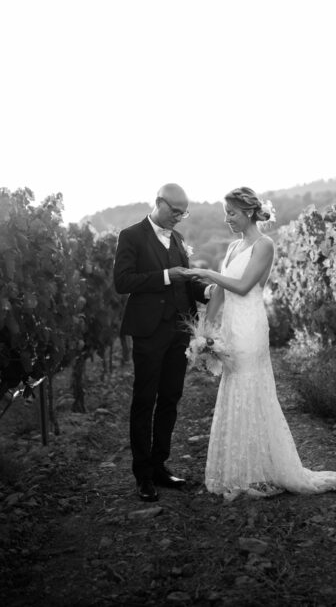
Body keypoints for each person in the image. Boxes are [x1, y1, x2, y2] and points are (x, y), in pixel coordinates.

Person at [188, 187, 336, 500]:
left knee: (250, 387)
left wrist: (207, 272)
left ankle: (263, 470)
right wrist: (205, 330)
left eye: (232, 213)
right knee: (234, 388)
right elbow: (221, 292)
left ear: (249, 212)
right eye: (226, 213)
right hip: (232, 327)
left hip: (250, 326)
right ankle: (240, 470)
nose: (228, 219)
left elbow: (243, 285)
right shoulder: (234, 246)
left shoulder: (265, 245)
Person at [113, 183, 213, 502]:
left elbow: (186, 284)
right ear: (159, 203)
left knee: (171, 397)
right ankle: (142, 475)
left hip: (179, 331)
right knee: (145, 400)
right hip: (149, 331)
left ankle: (159, 465)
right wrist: (167, 275)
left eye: (184, 213)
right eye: (175, 211)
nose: (179, 218)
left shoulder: (178, 240)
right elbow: (122, 282)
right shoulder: (131, 236)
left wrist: (210, 292)